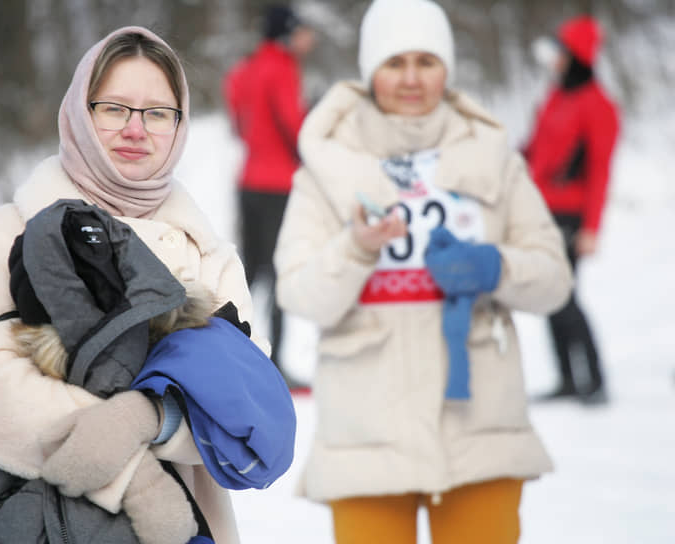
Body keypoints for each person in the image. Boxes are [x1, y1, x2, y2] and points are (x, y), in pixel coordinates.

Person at [0, 26, 275, 544]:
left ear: (179, 125)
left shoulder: (208, 257)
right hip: (37, 522)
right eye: (114, 108)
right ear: (80, 111)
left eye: (158, 113)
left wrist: (150, 420)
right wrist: (135, 479)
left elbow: (246, 411)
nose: (135, 129)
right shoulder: (12, 229)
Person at [273, 1, 573, 543]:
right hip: (366, 441)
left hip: (482, 432)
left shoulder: (495, 157)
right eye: (394, 63)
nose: (411, 79)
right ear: (370, 71)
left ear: (447, 68)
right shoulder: (326, 166)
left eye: (427, 61)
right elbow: (299, 294)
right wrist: (357, 249)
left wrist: (497, 265)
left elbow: (554, 279)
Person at [523, 15, 620, 404]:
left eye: (561, 52)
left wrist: (592, 227)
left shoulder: (598, 105)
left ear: (576, 55)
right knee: (550, 292)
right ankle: (566, 378)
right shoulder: (556, 95)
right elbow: (537, 147)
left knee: (565, 294)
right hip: (541, 208)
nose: (554, 60)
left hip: (571, 214)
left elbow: (600, 170)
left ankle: (594, 379)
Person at [223, 4, 316, 388]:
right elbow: (292, 123)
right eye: (303, 31)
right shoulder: (282, 66)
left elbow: (238, 120)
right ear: (287, 33)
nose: (309, 38)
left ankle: (231, 352)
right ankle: (275, 362)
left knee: (247, 272)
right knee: (278, 273)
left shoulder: (245, 68)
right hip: (278, 183)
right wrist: (308, 147)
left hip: (249, 179)